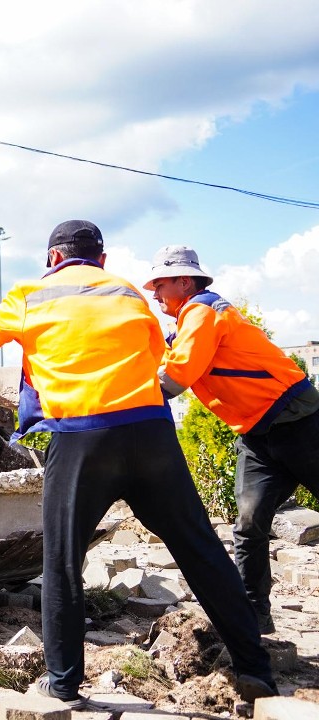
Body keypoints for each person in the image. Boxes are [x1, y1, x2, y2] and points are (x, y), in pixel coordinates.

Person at [0, 221, 276, 709]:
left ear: (51, 259)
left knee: (62, 563)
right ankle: (255, 669)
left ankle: (62, 683)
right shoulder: (128, 293)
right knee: (202, 550)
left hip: (80, 438)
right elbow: (151, 357)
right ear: (101, 261)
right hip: (150, 433)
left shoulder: (30, 295)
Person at [144, 244, 319, 635]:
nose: (155, 294)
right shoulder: (189, 324)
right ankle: (254, 617)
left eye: (160, 284)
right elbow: (170, 363)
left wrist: (122, 404)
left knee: (249, 525)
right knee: (248, 524)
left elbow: (174, 378)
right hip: (258, 436)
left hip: (299, 422)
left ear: (184, 281)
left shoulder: (201, 311)